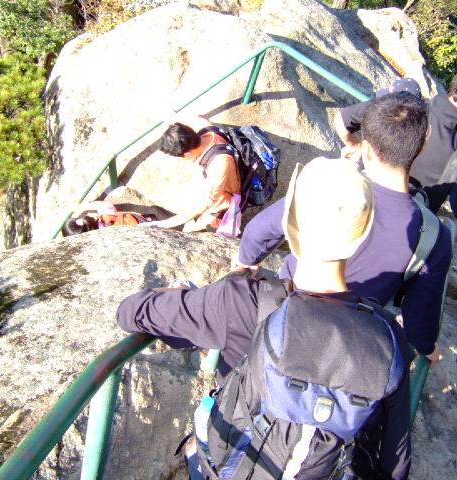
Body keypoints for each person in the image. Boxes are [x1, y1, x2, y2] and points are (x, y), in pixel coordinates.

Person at [117, 160, 411, 479]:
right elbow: (394, 460)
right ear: (362, 234)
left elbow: (130, 312)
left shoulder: (242, 301)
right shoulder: (388, 338)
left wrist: (176, 293)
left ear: (290, 227)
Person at [236, 92, 452, 363]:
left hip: (288, 303)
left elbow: (259, 230)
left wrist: (245, 263)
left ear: (367, 150)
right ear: (422, 145)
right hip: (348, 334)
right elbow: (420, 315)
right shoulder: (434, 235)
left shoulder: (333, 185)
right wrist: (427, 347)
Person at [335, 60, 457, 274]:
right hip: (397, 240)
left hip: (355, 209)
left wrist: (355, 145)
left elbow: (341, 120)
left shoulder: (403, 106)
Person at [144, 117, 241, 232]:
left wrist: (165, 224)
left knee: (190, 230)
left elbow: (202, 205)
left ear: (187, 154)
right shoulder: (208, 132)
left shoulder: (219, 163)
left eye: (180, 157)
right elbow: (199, 118)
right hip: (216, 190)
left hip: (221, 206)